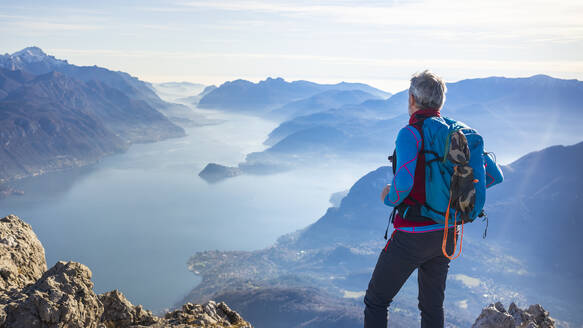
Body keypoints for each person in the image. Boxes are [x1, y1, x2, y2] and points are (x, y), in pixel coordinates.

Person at [363, 70, 503, 328]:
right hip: (448, 233)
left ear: (412, 99)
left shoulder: (410, 134)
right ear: (440, 102)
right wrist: (456, 194)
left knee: (376, 300)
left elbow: (403, 184)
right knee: (431, 307)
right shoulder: (458, 133)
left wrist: (388, 196)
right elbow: (494, 176)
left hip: (413, 234)